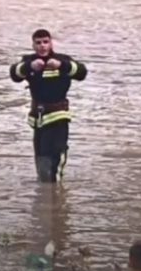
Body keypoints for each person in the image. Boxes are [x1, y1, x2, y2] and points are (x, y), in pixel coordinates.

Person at [9, 29, 87, 183]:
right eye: (38, 43)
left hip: (58, 117)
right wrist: (29, 67)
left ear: (51, 43)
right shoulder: (28, 61)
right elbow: (14, 74)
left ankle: (57, 195)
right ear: (33, 45)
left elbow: (82, 73)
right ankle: (45, 195)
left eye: (45, 42)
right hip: (38, 120)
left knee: (56, 159)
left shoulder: (62, 60)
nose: (42, 46)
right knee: (41, 160)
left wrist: (61, 65)